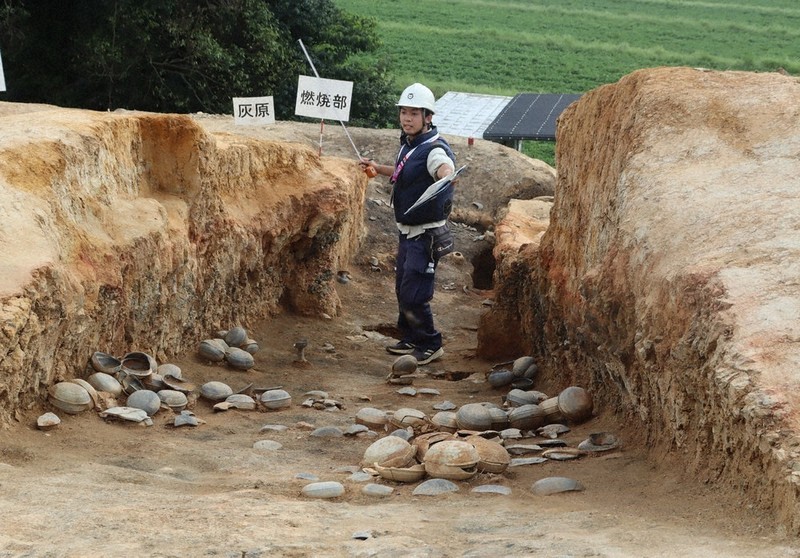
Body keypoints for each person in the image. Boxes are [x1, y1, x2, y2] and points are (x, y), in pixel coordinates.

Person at [360, 83, 456, 365]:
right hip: (407, 233)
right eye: (404, 112)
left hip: (425, 235)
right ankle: (412, 336)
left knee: (415, 293)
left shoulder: (433, 149)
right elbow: (403, 173)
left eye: (414, 113)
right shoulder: (409, 145)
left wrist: (447, 175)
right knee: (403, 287)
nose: (406, 118)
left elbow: (443, 167)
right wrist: (378, 168)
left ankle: (430, 343)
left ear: (428, 117)